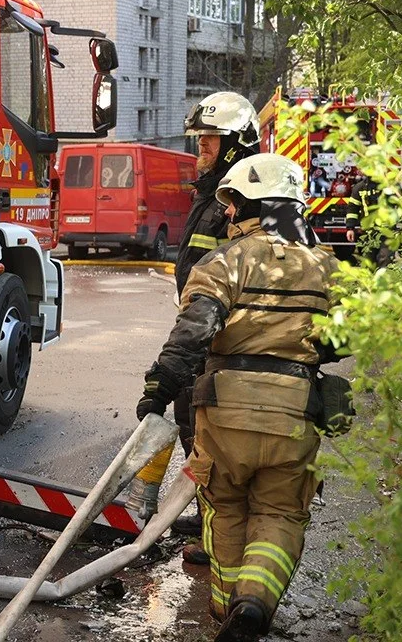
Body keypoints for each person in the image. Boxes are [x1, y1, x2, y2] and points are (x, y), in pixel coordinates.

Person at [135, 153, 341, 642]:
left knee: (224, 509)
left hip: (224, 413)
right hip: (295, 414)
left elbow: (194, 332)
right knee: (281, 514)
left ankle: (225, 608)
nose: (227, 212)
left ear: (258, 206)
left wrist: (158, 389)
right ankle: (253, 604)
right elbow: (345, 342)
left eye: (235, 202)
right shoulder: (329, 267)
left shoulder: (225, 261)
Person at [126, 91, 260, 564]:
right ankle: (208, 515)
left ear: (236, 144)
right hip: (201, 328)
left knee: (212, 436)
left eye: (210, 140)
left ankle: (222, 534)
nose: (200, 147)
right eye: (200, 139)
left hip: (219, 336)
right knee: (192, 427)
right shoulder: (211, 195)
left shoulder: (240, 201)